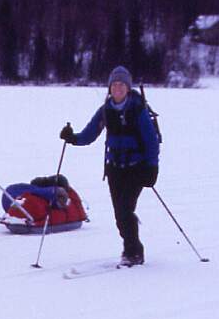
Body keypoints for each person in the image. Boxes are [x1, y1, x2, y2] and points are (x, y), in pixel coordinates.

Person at [60, 66, 159, 266]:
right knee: (119, 215)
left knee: (124, 210)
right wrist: (72, 138)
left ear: (128, 87)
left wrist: (152, 167)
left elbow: (152, 141)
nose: (118, 88)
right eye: (114, 85)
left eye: (122, 85)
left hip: (136, 168)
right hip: (114, 168)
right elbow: (89, 134)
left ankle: (133, 252)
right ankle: (132, 248)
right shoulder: (106, 110)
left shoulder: (138, 109)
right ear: (109, 88)